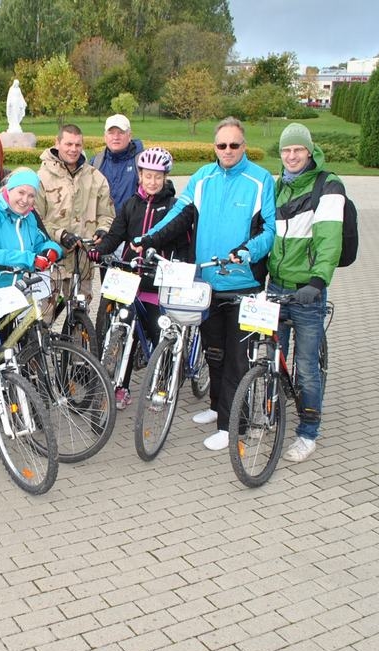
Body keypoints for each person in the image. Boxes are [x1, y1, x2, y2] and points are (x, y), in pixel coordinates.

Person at [142, 117, 276, 451]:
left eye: (234, 145)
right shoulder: (203, 177)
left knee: (237, 358)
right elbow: (179, 214)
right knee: (214, 353)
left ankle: (234, 427)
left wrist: (247, 251)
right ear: (214, 147)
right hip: (206, 282)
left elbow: (269, 229)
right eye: (221, 145)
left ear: (243, 146)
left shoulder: (259, 180)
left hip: (243, 284)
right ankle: (218, 407)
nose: (227, 150)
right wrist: (148, 239)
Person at [270, 123, 344, 463]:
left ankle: (308, 432)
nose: (292, 155)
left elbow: (329, 238)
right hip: (276, 285)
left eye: (298, 149)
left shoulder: (327, 185)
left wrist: (318, 281)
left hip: (307, 291)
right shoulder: (277, 186)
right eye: (286, 150)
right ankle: (269, 413)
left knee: (305, 365)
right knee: (271, 356)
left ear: (309, 151)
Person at [90, 147, 185, 410]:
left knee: (159, 336)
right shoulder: (131, 205)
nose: (152, 182)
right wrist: (99, 251)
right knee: (125, 336)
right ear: (140, 176)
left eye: (158, 177)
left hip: (156, 283)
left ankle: (163, 385)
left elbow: (180, 241)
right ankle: (121, 387)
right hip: (130, 281)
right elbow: (115, 236)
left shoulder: (173, 207)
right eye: (147, 176)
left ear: (165, 177)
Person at [34, 124, 115, 322]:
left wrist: (103, 230)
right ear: (57, 143)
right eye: (68, 144)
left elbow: (107, 213)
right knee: (44, 319)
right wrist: (61, 234)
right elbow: (36, 218)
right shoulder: (42, 177)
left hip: (83, 261)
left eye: (78, 144)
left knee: (79, 317)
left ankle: (77, 351)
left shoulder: (96, 177)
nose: (73, 149)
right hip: (53, 260)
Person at [0, 167, 62, 293]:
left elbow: (40, 242)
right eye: (21, 192)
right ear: (9, 189)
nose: (25, 200)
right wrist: (30, 259)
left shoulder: (29, 217)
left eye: (31, 196)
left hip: (17, 294)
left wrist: (52, 250)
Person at [90, 114, 144, 213]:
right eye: (111, 133)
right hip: (103, 225)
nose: (116, 137)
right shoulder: (96, 162)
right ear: (105, 136)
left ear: (129, 136)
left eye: (121, 133)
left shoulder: (142, 161)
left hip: (132, 225)